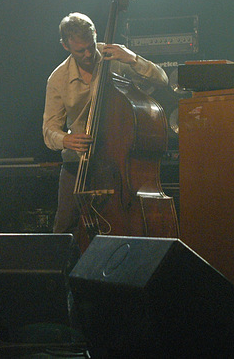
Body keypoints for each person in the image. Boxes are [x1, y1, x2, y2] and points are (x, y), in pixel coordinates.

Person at [42, 12, 168, 234]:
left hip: (118, 161)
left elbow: (162, 79)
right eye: (80, 50)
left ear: (95, 35)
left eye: (91, 46)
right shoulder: (58, 78)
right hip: (78, 163)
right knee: (63, 226)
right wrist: (67, 139)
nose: (89, 54)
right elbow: (49, 129)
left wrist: (133, 59)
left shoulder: (114, 59)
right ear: (65, 46)